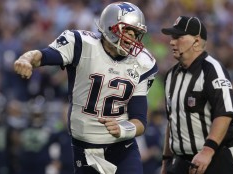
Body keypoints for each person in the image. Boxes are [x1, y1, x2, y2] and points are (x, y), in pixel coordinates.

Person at [13, 2, 158, 174]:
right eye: (127, 31)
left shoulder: (143, 63)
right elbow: (42, 56)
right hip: (85, 149)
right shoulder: (81, 44)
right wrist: (25, 58)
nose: (132, 39)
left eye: (136, 34)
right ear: (110, 27)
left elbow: (139, 121)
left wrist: (123, 129)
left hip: (122, 149)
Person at [160, 16, 233, 174]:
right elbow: (172, 120)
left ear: (196, 41)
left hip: (217, 158)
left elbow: (224, 114)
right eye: (172, 37)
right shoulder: (171, 75)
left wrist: (207, 151)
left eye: (178, 37)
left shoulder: (212, 70)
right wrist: (166, 160)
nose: (172, 42)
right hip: (181, 163)